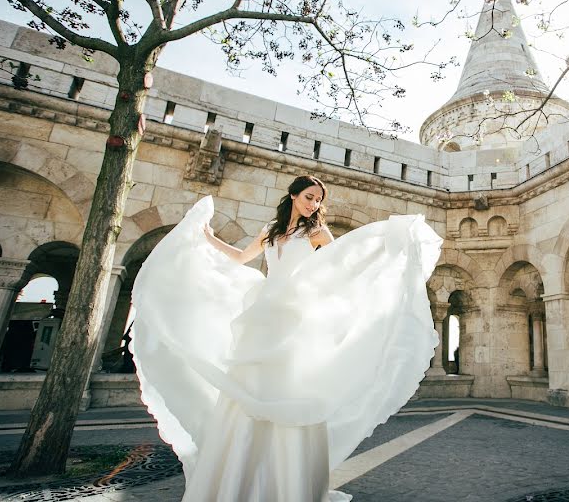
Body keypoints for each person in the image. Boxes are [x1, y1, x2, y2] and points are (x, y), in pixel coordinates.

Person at [130, 175, 442, 502]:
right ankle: (238, 475)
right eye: (309, 197)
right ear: (293, 196)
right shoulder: (270, 231)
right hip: (262, 317)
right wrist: (208, 237)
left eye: (318, 200)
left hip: (294, 317)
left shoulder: (318, 233)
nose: (314, 204)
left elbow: (343, 265)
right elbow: (240, 257)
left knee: (287, 388)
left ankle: (285, 480)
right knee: (247, 388)